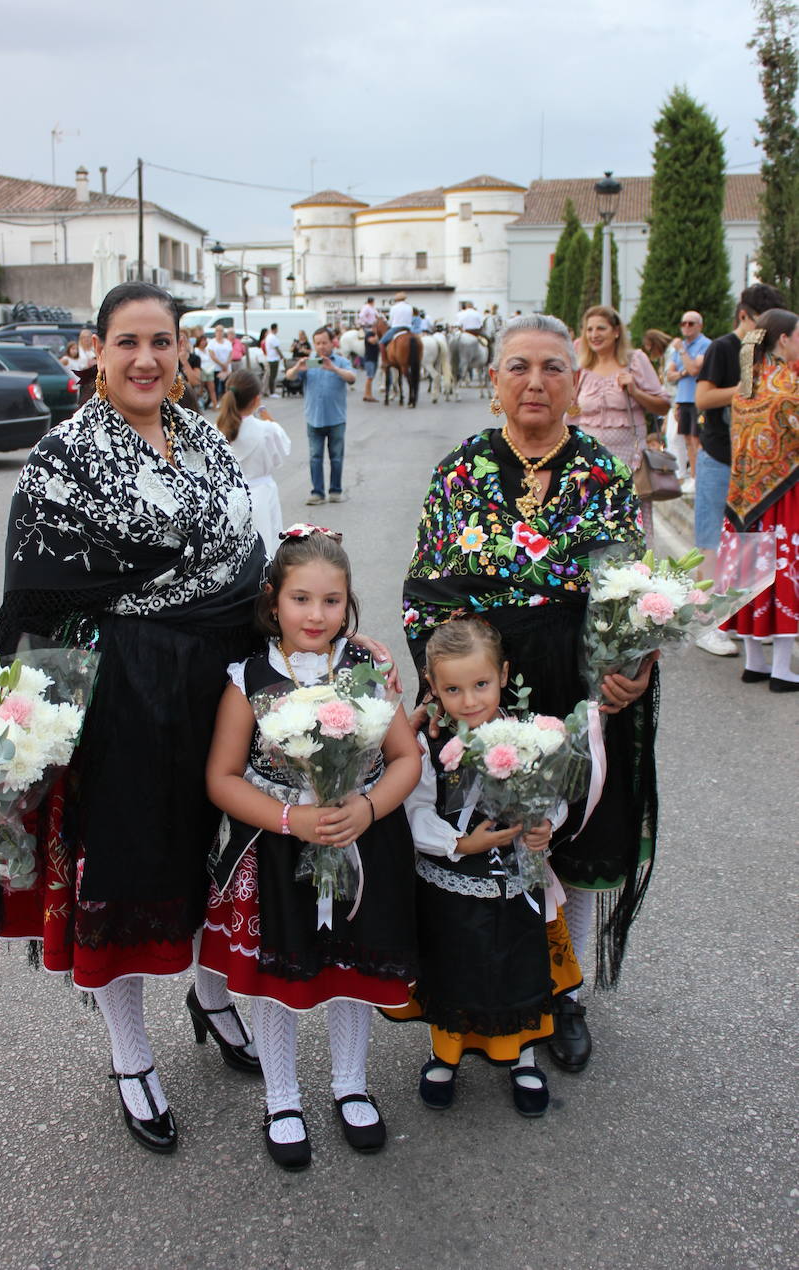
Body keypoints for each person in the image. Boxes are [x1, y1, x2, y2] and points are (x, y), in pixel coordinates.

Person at [0, 281, 270, 1156]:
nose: (147, 359)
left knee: (212, 848)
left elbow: (241, 552)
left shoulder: (206, 443)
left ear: (184, 352)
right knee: (124, 863)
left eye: (162, 342)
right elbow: (38, 592)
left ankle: (212, 992)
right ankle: (129, 1051)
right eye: (127, 343)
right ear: (97, 351)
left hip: (214, 682)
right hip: (123, 690)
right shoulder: (63, 455)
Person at [403, 313, 659, 1074]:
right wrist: (450, 689)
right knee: (496, 837)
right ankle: (487, 985)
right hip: (485, 693)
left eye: (553, 366)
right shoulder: (459, 472)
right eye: (518, 366)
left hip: (583, 694)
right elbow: (423, 593)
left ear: (578, 382)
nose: (536, 381)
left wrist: (636, 666)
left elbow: (636, 594)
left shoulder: (604, 476)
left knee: (574, 842)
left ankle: (562, 992)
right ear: (494, 383)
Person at [203, 527, 421, 1168]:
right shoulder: (249, 677)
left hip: (362, 839)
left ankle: (351, 1082)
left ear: (348, 602)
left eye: (332, 601)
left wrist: (369, 805)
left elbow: (406, 757)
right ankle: (282, 1096)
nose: (316, 615)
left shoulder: (367, 668)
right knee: (280, 974)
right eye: (302, 599)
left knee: (350, 965)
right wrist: (290, 819)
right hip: (278, 848)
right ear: (274, 601)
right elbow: (221, 777)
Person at [389, 618, 582, 1118]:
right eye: (452, 689)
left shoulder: (529, 736)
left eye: (481, 685)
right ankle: (444, 1054)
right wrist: (459, 841)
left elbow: (553, 797)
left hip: (516, 886)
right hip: (451, 888)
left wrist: (545, 826)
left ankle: (521, 1055)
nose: (470, 700)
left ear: (504, 675)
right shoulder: (430, 746)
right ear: (433, 688)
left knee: (517, 968)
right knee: (453, 968)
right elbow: (416, 811)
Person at [693, 284, 785, 657]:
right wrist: (746, 391)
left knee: (751, 544)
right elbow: (702, 397)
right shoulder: (722, 348)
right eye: (762, 324)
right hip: (718, 456)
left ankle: (747, 622)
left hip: (758, 465)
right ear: (744, 316)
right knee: (711, 541)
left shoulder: (770, 353)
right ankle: (706, 624)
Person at [719, 308, 799, 691]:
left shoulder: (748, 384)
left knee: (751, 574)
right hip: (784, 494)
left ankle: (755, 663)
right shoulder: (789, 384)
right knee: (785, 572)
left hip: (744, 497)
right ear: (783, 340)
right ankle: (783, 669)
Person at [568, 306, 670, 545]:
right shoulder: (581, 367)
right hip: (588, 463)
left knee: (629, 527)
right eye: (589, 329)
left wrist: (634, 390)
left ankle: (635, 576)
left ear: (616, 331)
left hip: (628, 463)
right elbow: (571, 414)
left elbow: (663, 405)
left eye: (600, 328)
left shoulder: (635, 361)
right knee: (591, 526)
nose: (594, 334)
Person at [216, 369, 291, 555]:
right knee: (267, 543)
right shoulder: (266, 429)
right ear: (256, 400)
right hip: (262, 493)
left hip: (228, 496)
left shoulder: (216, 429)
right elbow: (282, 452)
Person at [288, 326, 356, 506]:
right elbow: (289, 377)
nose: (321, 346)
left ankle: (335, 491)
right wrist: (297, 368)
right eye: (317, 343)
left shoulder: (340, 361)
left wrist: (333, 368)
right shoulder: (310, 362)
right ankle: (317, 492)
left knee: (336, 457)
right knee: (315, 457)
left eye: (324, 342)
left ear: (331, 343)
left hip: (336, 419)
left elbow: (352, 378)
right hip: (314, 418)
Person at [666, 310, 710, 490]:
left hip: (697, 398)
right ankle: (692, 476)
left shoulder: (704, 344)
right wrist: (682, 371)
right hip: (683, 398)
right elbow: (669, 375)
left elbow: (693, 370)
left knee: (696, 440)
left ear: (700, 325)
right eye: (683, 323)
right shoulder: (680, 347)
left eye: (690, 323)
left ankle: (700, 476)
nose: (686, 327)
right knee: (686, 439)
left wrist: (682, 354)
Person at [195, 333, 219, 410]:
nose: (204, 342)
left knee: (212, 388)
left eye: (205, 341)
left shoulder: (208, 350)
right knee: (201, 388)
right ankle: (198, 403)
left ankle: (215, 404)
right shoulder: (196, 350)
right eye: (202, 341)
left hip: (209, 370)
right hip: (201, 370)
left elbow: (212, 359)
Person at [208, 324, 233, 397]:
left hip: (226, 368)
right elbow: (212, 355)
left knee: (226, 385)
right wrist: (221, 364)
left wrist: (226, 364)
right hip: (216, 368)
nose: (219, 332)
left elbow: (231, 354)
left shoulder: (227, 342)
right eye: (218, 331)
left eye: (221, 331)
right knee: (216, 385)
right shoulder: (212, 342)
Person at [263, 322, 282, 397]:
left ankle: (271, 391)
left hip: (271, 358)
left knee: (272, 375)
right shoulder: (272, 337)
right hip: (273, 359)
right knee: (273, 376)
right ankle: (272, 392)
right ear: (275, 328)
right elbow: (277, 348)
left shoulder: (269, 336)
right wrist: (282, 356)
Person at [362, 325, 380, 403]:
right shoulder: (369, 334)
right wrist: (377, 335)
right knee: (370, 377)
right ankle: (368, 395)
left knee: (371, 378)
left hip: (374, 359)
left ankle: (367, 395)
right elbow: (372, 341)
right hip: (369, 359)